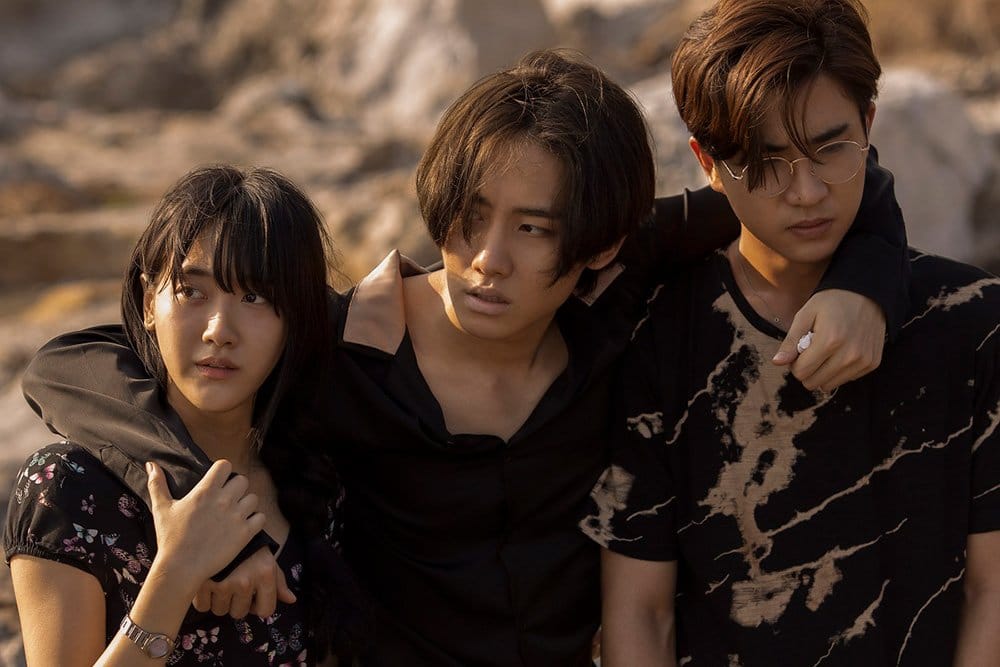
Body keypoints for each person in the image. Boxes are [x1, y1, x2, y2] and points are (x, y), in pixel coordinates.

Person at [22, 49, 909, 665]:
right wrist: (215, 513)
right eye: (471, 217)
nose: (488, 259)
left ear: (599, 246)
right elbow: (67, 364)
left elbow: (808, 192)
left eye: (533, 230)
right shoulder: (337, 349)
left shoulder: (613, 289)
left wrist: (866, 283)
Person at [585, 1, 1000, 665]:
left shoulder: (975, 323)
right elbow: (642, 612)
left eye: (831, 148)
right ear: (706, 161)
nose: (806, 192)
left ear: (869, 123)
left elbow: (991, 590)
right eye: (766, 161)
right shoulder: (659, 334)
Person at [5, 166, 367, 666]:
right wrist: (176, 573)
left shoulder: (318, 481)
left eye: (255, 297)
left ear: (297, 319)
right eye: (191, 292)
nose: (219, 330)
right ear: (147, 302)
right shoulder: (69, 488)